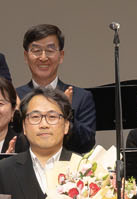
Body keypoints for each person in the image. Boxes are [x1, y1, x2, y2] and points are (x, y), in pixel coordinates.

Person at [16, 24, 98, 153]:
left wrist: (67, 114)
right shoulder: (15, 97)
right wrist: (17, 117)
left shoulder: (81, 97)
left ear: (61, 56)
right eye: (36, 51)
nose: (43, 57)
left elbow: (86, 144)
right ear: (26, 56)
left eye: (50, 50)